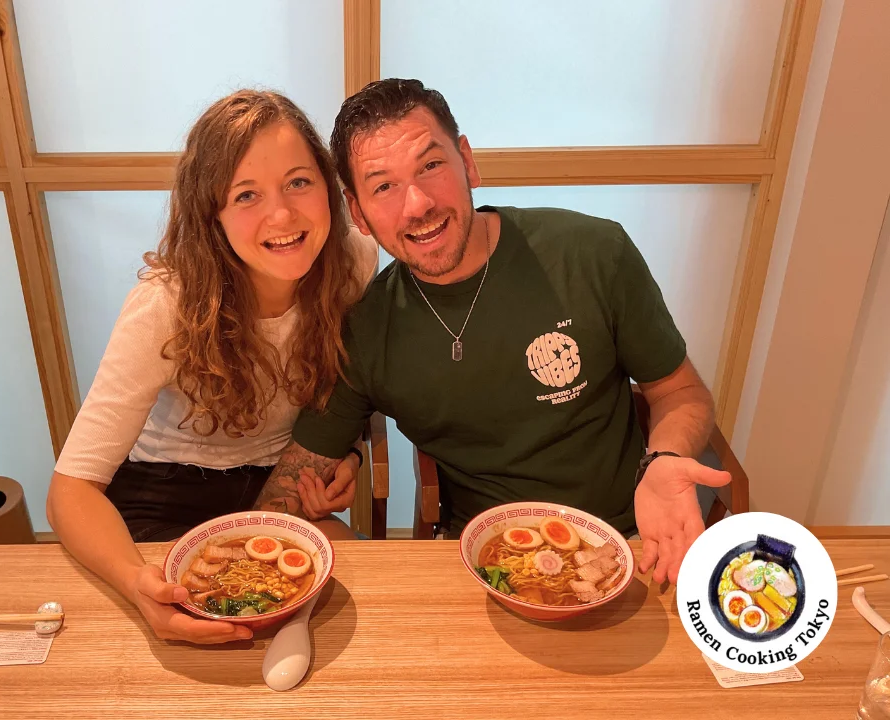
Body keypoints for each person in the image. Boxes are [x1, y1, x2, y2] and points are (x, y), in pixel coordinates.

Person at [252, 78, 731, 585]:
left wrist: (666, 459)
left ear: (467, 162)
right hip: (481, 567)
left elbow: (679, 390)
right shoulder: (366, 328)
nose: (417, 205)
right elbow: (288, 492)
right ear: (358, 213)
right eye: (383, 187)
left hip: (634, 542)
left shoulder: (592, 254)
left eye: (430, 166)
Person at [46, 90, 377, 645]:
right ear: (211, 215)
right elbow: (70, 490)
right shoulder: (165, 305)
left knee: (360, 608)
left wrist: (348, 455)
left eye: (299, 181)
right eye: (246, 194)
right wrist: (134, 584)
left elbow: (353, 387)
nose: (282, 215)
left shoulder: (354, 262)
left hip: (279, 487)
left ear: (328, 186)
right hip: (164, 495)